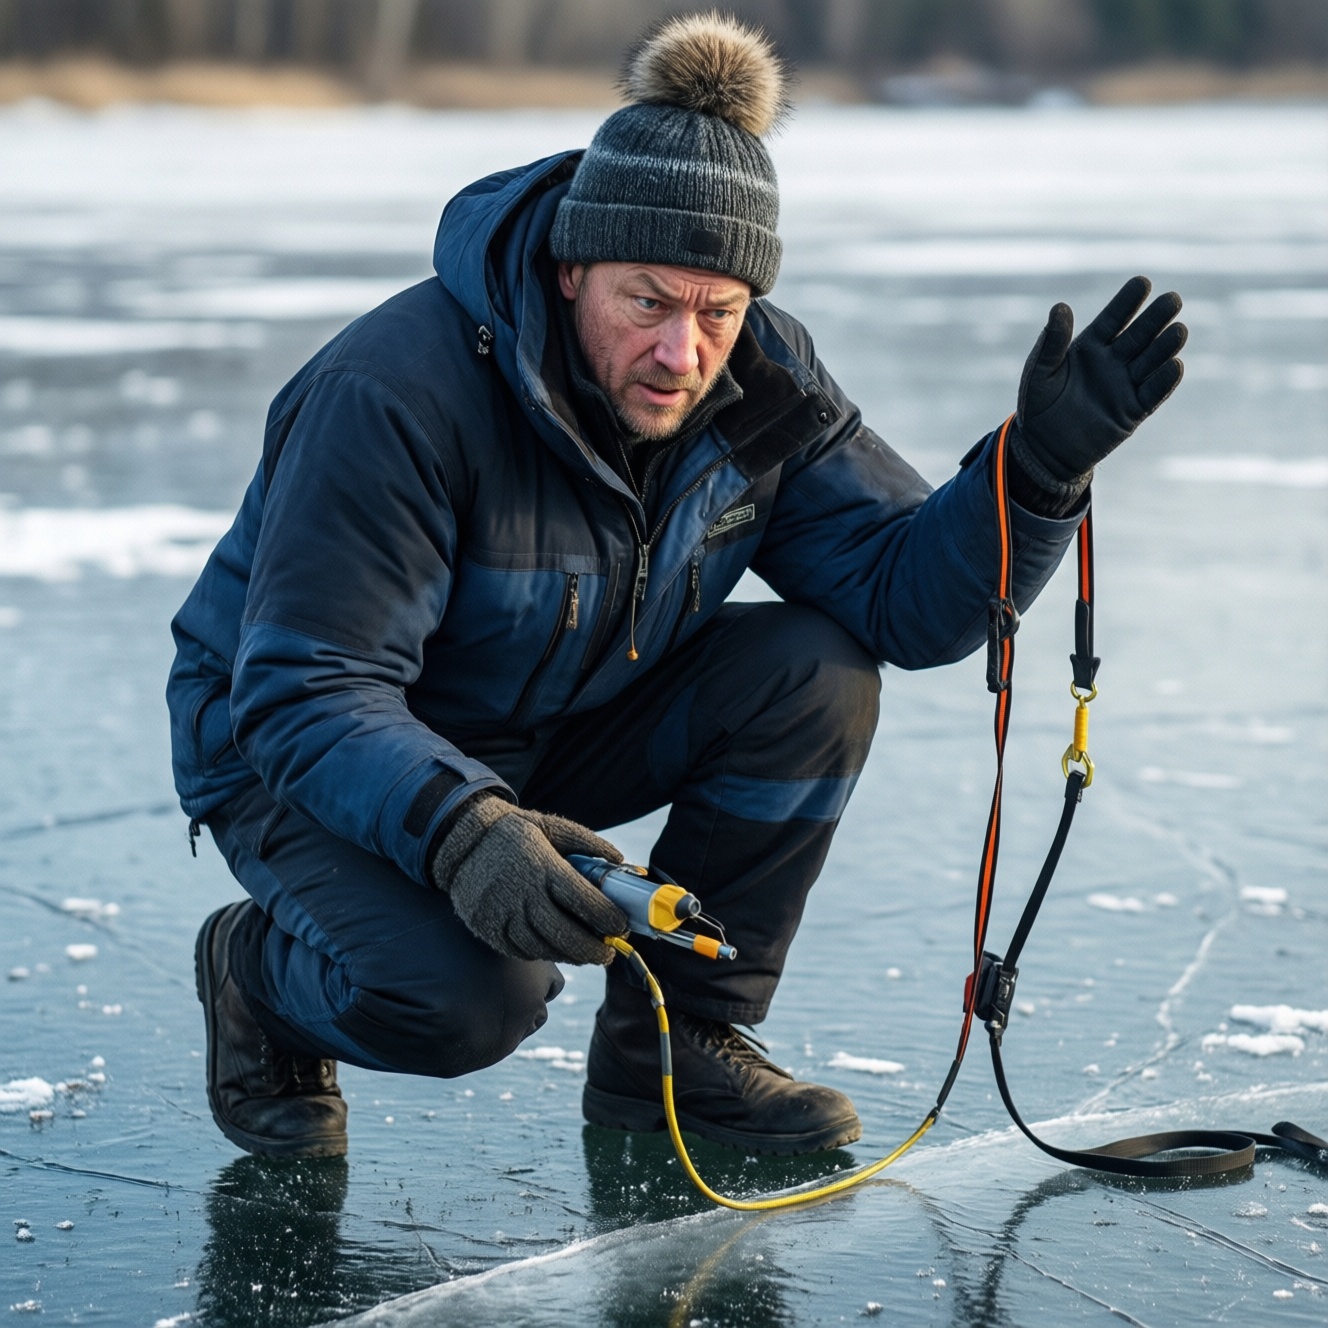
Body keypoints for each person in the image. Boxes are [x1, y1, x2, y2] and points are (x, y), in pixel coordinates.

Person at [168, 13, 1186, 1161]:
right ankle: (255, 978)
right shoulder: (394, 394)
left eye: (717, 310)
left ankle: (682, 1050)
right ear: (569, 269)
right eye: (645, 301)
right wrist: (463, 828)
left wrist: (1034, 473)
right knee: (469, 1000)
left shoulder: (760, 384)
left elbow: (906, 602)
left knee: (814, 669)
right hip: (287, 747)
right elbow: (310, 684)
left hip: (540, 720)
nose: (681, 351)